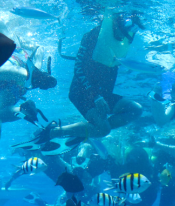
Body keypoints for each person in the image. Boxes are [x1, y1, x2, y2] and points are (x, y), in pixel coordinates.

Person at [39, 12, 144, 144]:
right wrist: (96, 96)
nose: (122, 37)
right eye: (122, 32)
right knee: (103, 131)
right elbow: (78, 68)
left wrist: (100, 96)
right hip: (82, 93)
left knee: (136, 110)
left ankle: (87, 130)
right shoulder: (93, 36)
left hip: (102, 94)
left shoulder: (123, 40)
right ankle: (54, 132)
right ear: (117, 23)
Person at [0, 46, 57, 125]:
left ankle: (24, 110)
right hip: (18, 82)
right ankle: (24, 110)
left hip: (14, 78)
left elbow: (40, 48)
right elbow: (39, 48)